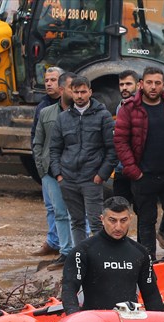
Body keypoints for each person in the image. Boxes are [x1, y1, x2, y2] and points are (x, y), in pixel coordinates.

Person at [114, 66, 164, 259]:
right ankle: (147, 264)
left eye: (157, 83)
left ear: (163, 85)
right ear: (141, 84)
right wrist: (133, 171)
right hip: (143, 176)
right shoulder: (130, 108)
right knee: (146, 222)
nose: (153, 87)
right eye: (149, 82)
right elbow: (120, 141)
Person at [61, 196, 164, 315]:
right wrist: (74, 317)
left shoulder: (140, 253)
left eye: (123, 220)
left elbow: (151, 294)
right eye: (112, 220)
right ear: (102, 219)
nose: (118, 227)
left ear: (130, 219)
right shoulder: (83, 251)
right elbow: (69, 288)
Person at [49, 75, 117, 254]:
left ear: (90, 92)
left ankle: (102, 256)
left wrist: (101, 175)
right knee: (76, 221)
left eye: (83, 92)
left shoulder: (103, 116)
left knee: (96, 221)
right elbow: (54, 148)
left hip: (91, 179)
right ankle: (81, 258)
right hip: (68, 179)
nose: (79, 96)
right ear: (71, 92)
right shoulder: (63, 118)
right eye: (76, 92)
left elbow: (112, 149)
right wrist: (59, 174)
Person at [32, 70, 76, 269]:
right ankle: (65, 252)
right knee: (58, 212)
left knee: (77, 214)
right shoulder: (45, 111)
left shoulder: (85, 112)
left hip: (75, 171)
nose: (76, 93)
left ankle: (78, 252)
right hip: (51, 171)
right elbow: (37, 141)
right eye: (70, 88)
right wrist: (43, 168)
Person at [32, 66, 65, 259]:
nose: (49, 83)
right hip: (47, 167)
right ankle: (53, 242)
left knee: (71, 209)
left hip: (66, 167)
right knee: (51, 208)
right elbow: (35, 137)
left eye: (53, 80)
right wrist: (41, 165)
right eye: (47, 80)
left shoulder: (68, 107)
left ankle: (71, 245)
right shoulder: (42, 107)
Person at [112, 69, 139, 203]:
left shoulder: (143, 106)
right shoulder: (120, 106)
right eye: (121, 84)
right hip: (121, 167)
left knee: (142, 210)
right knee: (118, 207)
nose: (124, 87)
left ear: (138, 85)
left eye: (128, 84)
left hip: (139, 167)